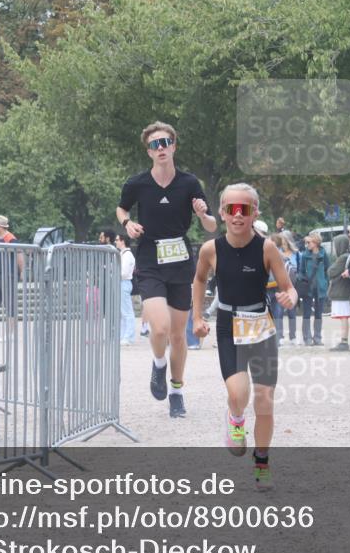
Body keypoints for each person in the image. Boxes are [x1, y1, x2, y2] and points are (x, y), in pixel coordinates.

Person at [191, 183, 295, 491]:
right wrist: (197, 317)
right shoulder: (211, 249)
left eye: (245, 210)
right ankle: (235, 419)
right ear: (221, 213)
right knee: (238, 394)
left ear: (255, 214)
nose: (238, 216)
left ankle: (261, 461)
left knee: (264, 400)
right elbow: (198, 281)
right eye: (232, 210)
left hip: (260, 326)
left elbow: (287, 286)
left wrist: (291, 296)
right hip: (228, 324)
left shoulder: (267, 248)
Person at [116, 121, 217, 417]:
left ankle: (176, 391)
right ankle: (158, 363)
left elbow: (212, 225)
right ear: (148, 151)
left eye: (165, 143)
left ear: (173, 146)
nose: (160, 149)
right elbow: (122, 208)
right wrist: (127, 223)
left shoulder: (189, 183)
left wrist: (202, 214)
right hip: (149, 258)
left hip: (180, 260)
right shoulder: (137, 183)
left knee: (178, 335)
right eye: (154, 145)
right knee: (158, 328)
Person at [0, 215, 24, 340]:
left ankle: (10, 334)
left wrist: (22, 271)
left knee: (9, 303)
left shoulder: (10, 238)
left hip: (9, 274)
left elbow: (19, 254)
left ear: (0, 226)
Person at [297, 232, 329, 346]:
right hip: (308, 288)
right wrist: (303, 279)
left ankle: (317, 337)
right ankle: (307, 338)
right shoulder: (305, 255)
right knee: (306, 313)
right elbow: (300, 271)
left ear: (316, 242)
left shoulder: (323, 253)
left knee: (319, 313)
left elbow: (326, 269)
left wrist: (325, 284)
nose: (307, 245)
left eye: (309, 242)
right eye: (306, 242)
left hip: (320, 288)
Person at [269, 233, 299, 346]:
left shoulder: (280, 255)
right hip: (267, 288)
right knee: (272, 314)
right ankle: (274, 338)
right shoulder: (265, 253)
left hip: (278, 287)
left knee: (277, 313)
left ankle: (278, 338)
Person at [327, 234, 350, 351]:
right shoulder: (346, 256)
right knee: (343, 316)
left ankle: (344, 341)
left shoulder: (343, 258)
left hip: (340, 290)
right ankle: (343, 340)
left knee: (343, 317)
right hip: (342, 290)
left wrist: (332, 266)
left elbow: (331, 272)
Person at [116, 233, 137, 345]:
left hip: (124, 282)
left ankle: (128, 337)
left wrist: (112, 271)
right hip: (121, 283)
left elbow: (123, 273)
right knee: (122, 311)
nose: (116, 242)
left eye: (117, 240)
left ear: (123, 241)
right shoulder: (122, 254)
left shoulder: (127, 255)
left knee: (127, 312)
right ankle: (124, 335)